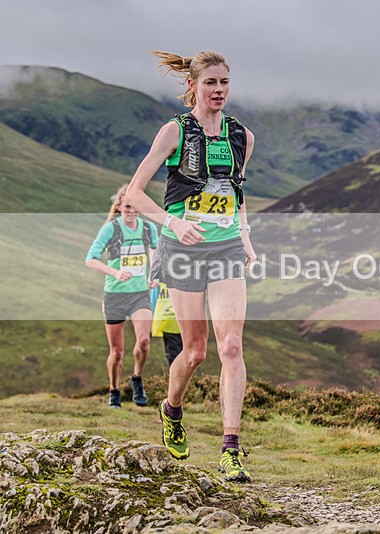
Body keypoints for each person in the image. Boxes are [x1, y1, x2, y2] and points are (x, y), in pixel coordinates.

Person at [126, 50, 256, 483]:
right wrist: (173, 223)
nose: (218, 90)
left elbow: (236, 193)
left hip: (226, 248)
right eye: (210, 83)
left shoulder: (242, 137)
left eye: (224, 82)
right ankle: (172, 409)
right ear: (193, 86)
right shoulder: (175, 131)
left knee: (231, 347)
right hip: (182, 248)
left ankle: (231, 449)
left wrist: (245, 236)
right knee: (195, 351)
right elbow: (135, 193)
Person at [85, 184, 159, 408]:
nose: (132, 211)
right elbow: (90, 259)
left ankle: (136, 378)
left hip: (139, 294)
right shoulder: (111, 229)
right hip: (115, 295)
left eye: (135, 206)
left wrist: (153, 273)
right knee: (117, 352)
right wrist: (115, 272)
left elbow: (154, 251)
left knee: (144, 341)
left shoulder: (148, 229)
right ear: (119, 207)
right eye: (127, 206)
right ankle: (114, 391)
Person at [151, 282, 183, 367]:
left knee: (184, 354)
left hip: (174, 320)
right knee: (175, 354)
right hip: (169, 321)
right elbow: (154, 298)